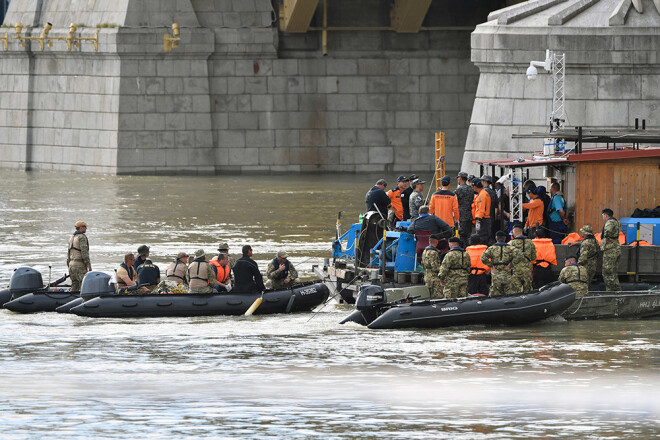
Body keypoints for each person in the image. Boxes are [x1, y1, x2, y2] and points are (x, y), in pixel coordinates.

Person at [481, 231, 521, 296]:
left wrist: (491, 266)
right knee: (509, 294)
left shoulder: (491, 248)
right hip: (507, 272)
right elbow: (519, 256)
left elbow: (483, 258)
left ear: (496, 238)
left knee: (495, 295)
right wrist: (511, 265)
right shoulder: (511, 248)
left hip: (496, 273)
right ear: (505, 238)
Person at [509, 223, 537, 293]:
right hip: (527, 271)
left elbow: (507, 258)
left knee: (516, 291)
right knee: (528, 292)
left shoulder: (511, 243)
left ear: (514, 232)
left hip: (515, 271)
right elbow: (534, 257)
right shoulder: (530, 242)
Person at [67, 220, 91, 292]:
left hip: (71, 265)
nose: (86, 228)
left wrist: (69, 266)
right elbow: (84, 253)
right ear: (81, 228)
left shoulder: (71, 238)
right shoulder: (81, 237)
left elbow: (68, 254)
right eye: (85, 227)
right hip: (79, 265)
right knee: (83, 285)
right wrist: (89, 265)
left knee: (74, 285)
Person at [600, 208, 621, 291]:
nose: (602, 217)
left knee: (607, 272)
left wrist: (607, 238)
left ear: (605, 215)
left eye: (602, 215)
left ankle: (611, 291)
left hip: (610, 249)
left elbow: (607, 232)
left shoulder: (610, 222)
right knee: (614, 272)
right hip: (615, 248)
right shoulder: (617, 222)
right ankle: (617, 291)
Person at [421, 234, 446, 299]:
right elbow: (435, 267)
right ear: (437, 242)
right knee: (438, 296)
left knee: (428, 295)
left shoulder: (425, 251)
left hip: (427, 276)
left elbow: (422, 263)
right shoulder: (434, 252)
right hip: (434, 279)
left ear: (429, 242)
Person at [455, 172, 474, 241]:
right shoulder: (471, 189)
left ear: (460, 178)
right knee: (469, 235)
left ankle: (463, 249)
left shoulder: (459, 190)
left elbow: (454, 201)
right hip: (469, 215)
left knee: (462, 235)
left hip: (461, 216)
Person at [472, 178, 491, 245]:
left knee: (482, 238)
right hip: (485, 219)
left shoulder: (482, 195)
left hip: (483, 220)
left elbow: (481, 209)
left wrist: (478, 220)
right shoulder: (483, 193)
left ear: (475, 186)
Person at [481, 175, 499, 240]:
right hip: (491, 217)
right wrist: (495, 217)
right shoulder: (493, 193)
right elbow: (496, 206)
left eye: (482, 181)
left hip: (483, 217)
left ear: (485, 182)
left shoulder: (482, 192)